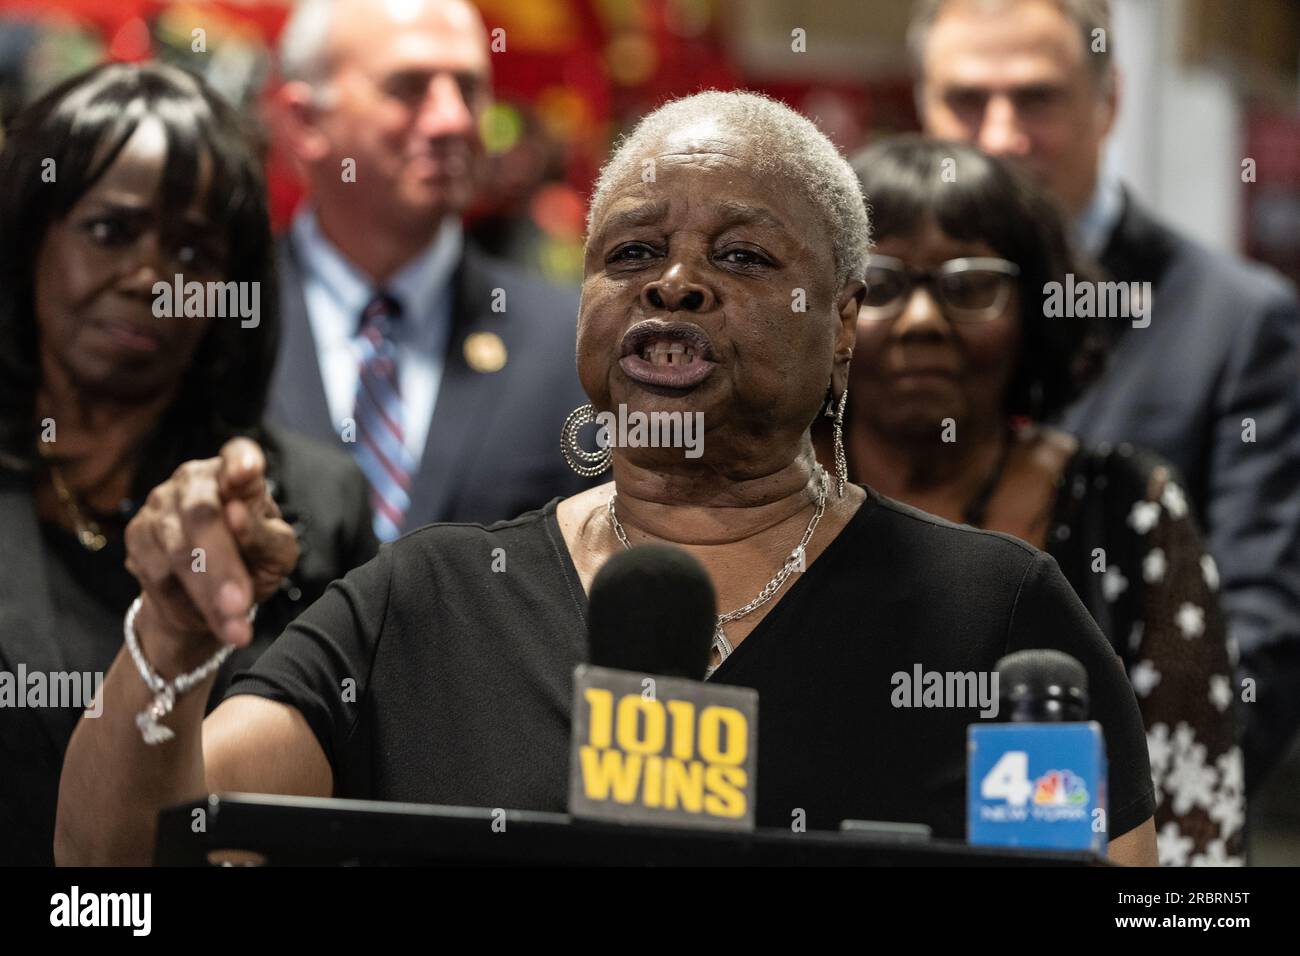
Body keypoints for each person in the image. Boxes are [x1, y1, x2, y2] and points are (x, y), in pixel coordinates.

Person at [55, 91, 1159, 866]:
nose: (673, 284)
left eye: (741, 256)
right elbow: (126, 865)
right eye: (631, 254)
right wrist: (168, 644)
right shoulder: (426, 601)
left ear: (839, 328)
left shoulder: (997, 619)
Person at [910, 0, 1300, 791]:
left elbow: (1261, 642)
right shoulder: (870, 316)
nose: (999, 136)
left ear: (1110, 100)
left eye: (1036, 98)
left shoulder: (1232, 323)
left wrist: (1072, 801)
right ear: (921, 106)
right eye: (966, 100)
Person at [0, 62, 377, 866]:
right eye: (110, 232)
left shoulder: (308, 498)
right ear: (31, 239)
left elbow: (342, 798)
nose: (150, 280)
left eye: (195, 253)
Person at [834, 137, 1242, 865]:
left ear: (1036, 311)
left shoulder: (1127, 513)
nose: (923, 320)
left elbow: (1190, 824)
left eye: (969, 285)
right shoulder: (756, 504)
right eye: (884, 282)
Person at [267, 0, 590, 537]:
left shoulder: (572, 343)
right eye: (408, 87)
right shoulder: (215, 324)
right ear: (305, 121)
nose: (454, 121)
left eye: (468, 89)